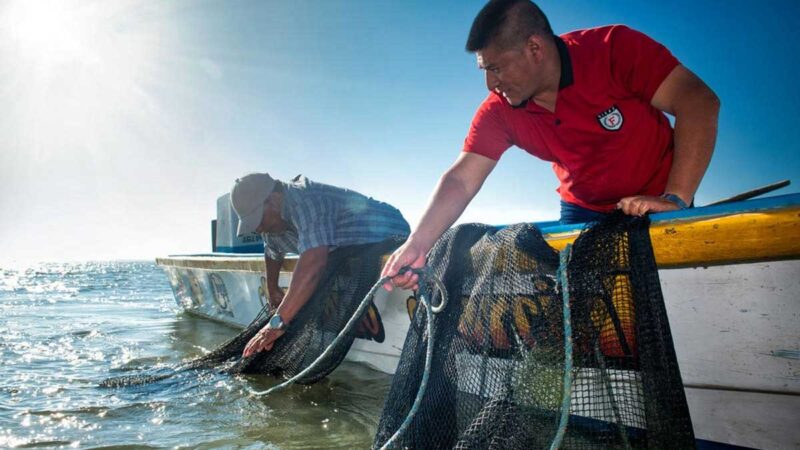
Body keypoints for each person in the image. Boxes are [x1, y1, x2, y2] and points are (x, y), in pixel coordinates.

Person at [382, 0, 719, 290]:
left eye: (496, 68)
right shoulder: (498, 111)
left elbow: (697, 101)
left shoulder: (613, 48)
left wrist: (676, 198)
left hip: (658, 198)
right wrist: (418, 242)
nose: (490, 83)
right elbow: (461, 178)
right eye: (485, 70)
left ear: (535, 49)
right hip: (582, 210)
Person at [230, 173, 410, 357]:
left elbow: (314, 263)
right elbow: (272, 252)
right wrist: (273, 288)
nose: (257, 228)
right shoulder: (273, 224)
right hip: (341, 247)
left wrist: (277, 323)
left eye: (257, 219)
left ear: (274, 199)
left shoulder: (306, 199)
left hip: (390, 233)